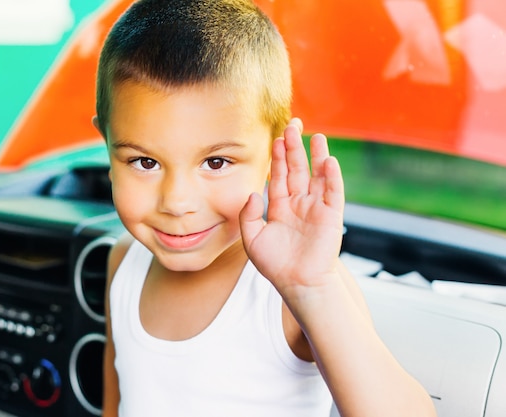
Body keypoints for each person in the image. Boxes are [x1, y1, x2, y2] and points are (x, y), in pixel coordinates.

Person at [92, 0, 437, 416]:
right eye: (145, 162)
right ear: (107, 145)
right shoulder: (123, 262)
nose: (177, 202)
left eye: (216, 162)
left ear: (275, 149)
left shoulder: (299, 290)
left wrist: (312, 290)